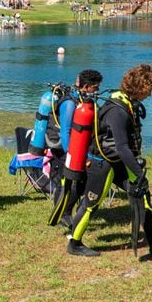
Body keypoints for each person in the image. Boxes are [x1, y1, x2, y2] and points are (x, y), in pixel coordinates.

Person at [68, 64, 152, 258]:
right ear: (141, 88)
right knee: (91, 204)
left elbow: (122, 150)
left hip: (117, 161)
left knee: (143, 196)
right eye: (150, 90)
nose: (150, 94)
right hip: (102, 163)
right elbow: (122, 147)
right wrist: (139, 174)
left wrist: (139, 178)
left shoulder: (125, 100)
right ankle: (74, 243)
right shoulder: (118, 110)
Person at [49, 69, 103, 231]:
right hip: (63, 147)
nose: (97, 91)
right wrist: (70, 155)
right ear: (86, 86)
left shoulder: (82, 99)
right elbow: (65, 131)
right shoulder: (69, 102)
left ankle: (68, 211)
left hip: (78, 146)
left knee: (80, 180)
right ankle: (62, 215)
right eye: (95, 87)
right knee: (64, 182)